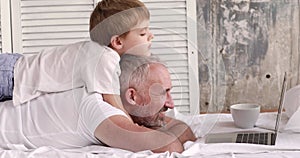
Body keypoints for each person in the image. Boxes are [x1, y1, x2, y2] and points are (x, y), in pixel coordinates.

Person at [0, 54, 196, 153]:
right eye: (164, 93)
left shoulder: (97, 91)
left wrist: (158, 119)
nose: (171, 104)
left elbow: (185, 133)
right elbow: (170, 146)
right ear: (132, 97)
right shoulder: (97, 110)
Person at [0, 0, 154, 118]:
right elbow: (112, 104)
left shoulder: (98, 53)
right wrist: (134, 127)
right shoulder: (105, 58)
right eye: (142, 33)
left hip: (13, 70)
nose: (151, 36)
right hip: (9, 75)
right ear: (117, 42)